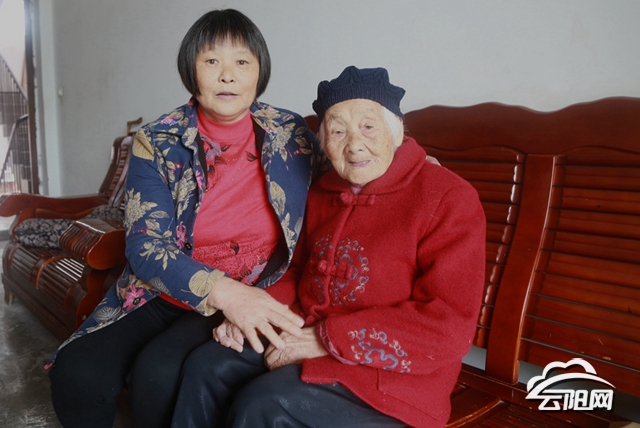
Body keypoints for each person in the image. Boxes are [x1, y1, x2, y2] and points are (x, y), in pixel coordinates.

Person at [47, 9, 323, 428]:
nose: (227, 75)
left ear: (260, 71)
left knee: (158, 375)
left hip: (251, 287)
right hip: (160, 289)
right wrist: (227, 294)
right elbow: (145, 245)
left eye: (242, 62)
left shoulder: (291, 133)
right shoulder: (157, 140)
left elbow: (346, 175)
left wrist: (411, 165)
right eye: (211, 61)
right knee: (77, 373)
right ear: (190, 70)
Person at [171, 66, 486, 428]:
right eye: (337, 131)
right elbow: (298, 271)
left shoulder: (448, 197)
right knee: (206, 367)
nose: (354, 144)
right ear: (323, 141)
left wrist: (326, 339)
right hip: (303, 329)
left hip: (391, 374)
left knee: (263, 406)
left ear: (396, 130)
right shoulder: (323, 190)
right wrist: (253, 313)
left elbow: (447, 325)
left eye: (368, 127)